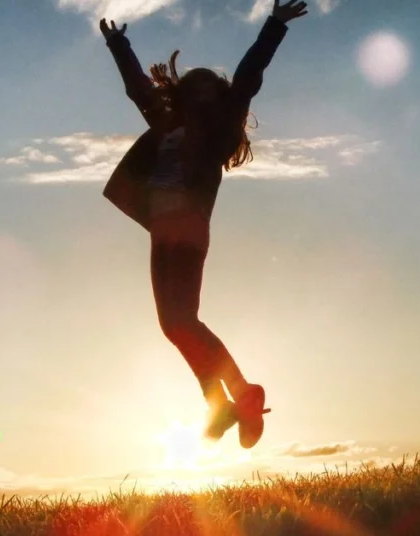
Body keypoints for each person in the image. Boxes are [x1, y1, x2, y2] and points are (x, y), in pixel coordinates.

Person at [99, 0, 309, 448]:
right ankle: (230, 401)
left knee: (182, 321)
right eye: (192, 87)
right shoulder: (165, 121)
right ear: (181, 94)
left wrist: (274, 25)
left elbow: (248, 76)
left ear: (217, 96)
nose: (198, 93)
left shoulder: (220, 129)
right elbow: (139, 90)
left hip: (188, 225)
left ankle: (233, 396)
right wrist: (118, 45)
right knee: (176, 324)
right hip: (163, 229)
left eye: (207, 88)